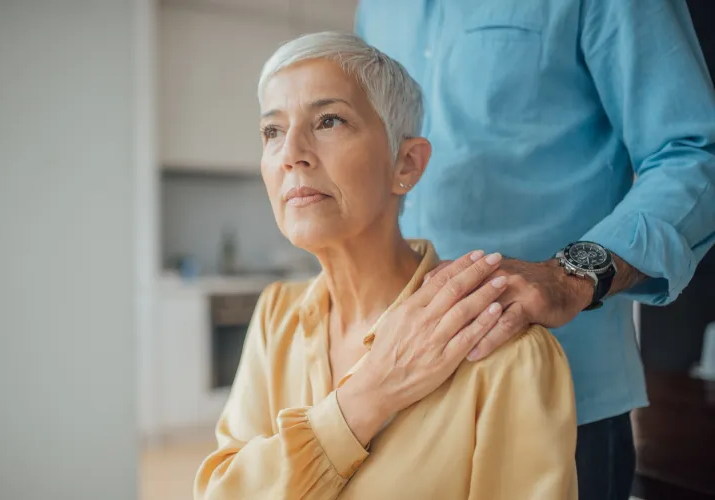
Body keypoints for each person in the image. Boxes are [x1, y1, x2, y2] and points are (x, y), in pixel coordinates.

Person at [354, 1, 715, 499]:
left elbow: (694, 152)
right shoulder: (377, 9)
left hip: (562, 407)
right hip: (400, 399)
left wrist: (570, 274)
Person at [194, 32, 578, 500]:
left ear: (407, 163)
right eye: (272, 131)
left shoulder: (505, 351)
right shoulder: (277, 315)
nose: (291, 152)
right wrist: (365, 399)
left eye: (329, 120)